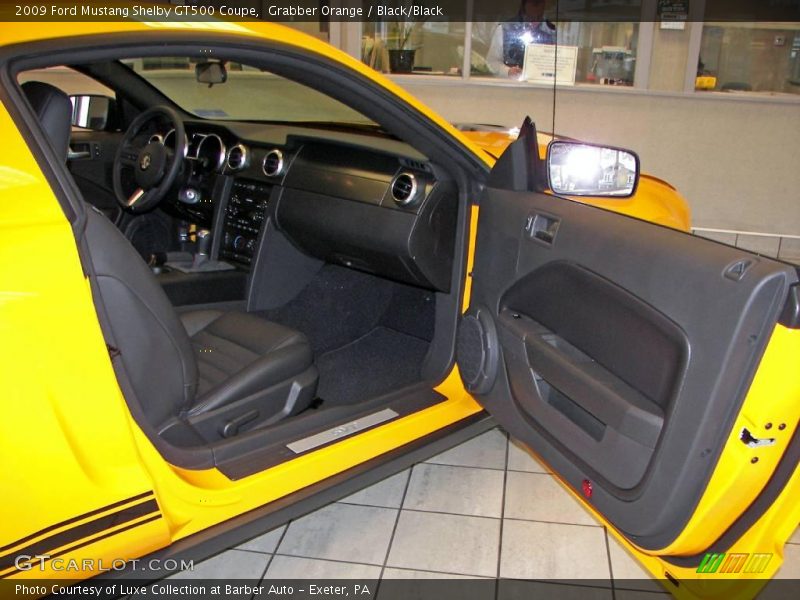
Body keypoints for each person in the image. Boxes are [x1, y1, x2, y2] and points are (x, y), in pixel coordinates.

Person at [486, 0, 556, 78]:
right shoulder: (505, 28)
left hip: (541, 84)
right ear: (524, 5)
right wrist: (508, 71)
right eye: (534, 4)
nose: (538, 8)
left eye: (541, 3)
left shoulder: (552, 31)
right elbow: (492, 62)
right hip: (511, 84)